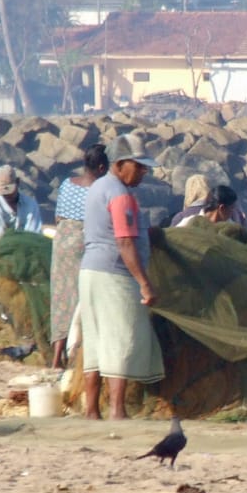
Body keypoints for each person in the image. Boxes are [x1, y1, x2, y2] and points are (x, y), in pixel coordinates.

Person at [79, 133, 164, 419]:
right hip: (114, 275)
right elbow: (125, 242)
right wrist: (144, 283)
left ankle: (91, 410)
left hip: (89, 271)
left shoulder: (97, 186)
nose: (144, 172)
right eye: (139, 166)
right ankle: (117, 409)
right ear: (120, 164)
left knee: (94, 340)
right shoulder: (119, 194)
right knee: (120, 338)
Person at [49, 144, 109, 369]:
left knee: (61, 297)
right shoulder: (100, 189)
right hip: (84, 241)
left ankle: (56, 357)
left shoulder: (67, 184)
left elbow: (58, 218)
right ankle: (77, 355)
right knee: (80, 298)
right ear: (102, 167)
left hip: (62, 240)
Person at [0, 165, 43, 249]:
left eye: (8, 190)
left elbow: (33, 234)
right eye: (2, 191)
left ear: (18, 182)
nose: (6, 194)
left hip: (26, 247)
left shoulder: (30, 204)